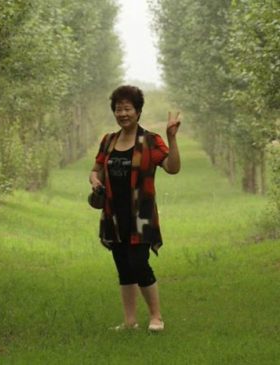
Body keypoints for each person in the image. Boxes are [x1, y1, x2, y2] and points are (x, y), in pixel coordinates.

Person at [89, 85, 181, 332]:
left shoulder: (150, 141)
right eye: (118, 109)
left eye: (128, 108)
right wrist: (95, 181)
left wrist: (172, 138)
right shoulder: (108, 140)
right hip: (113, 215)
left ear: (138, 111)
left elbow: (172, 167)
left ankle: (156, 317)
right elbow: (96, 169)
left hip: (141, 216)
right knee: (123, 266)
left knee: (139, 263)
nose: (123, 113)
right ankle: (130, 321)